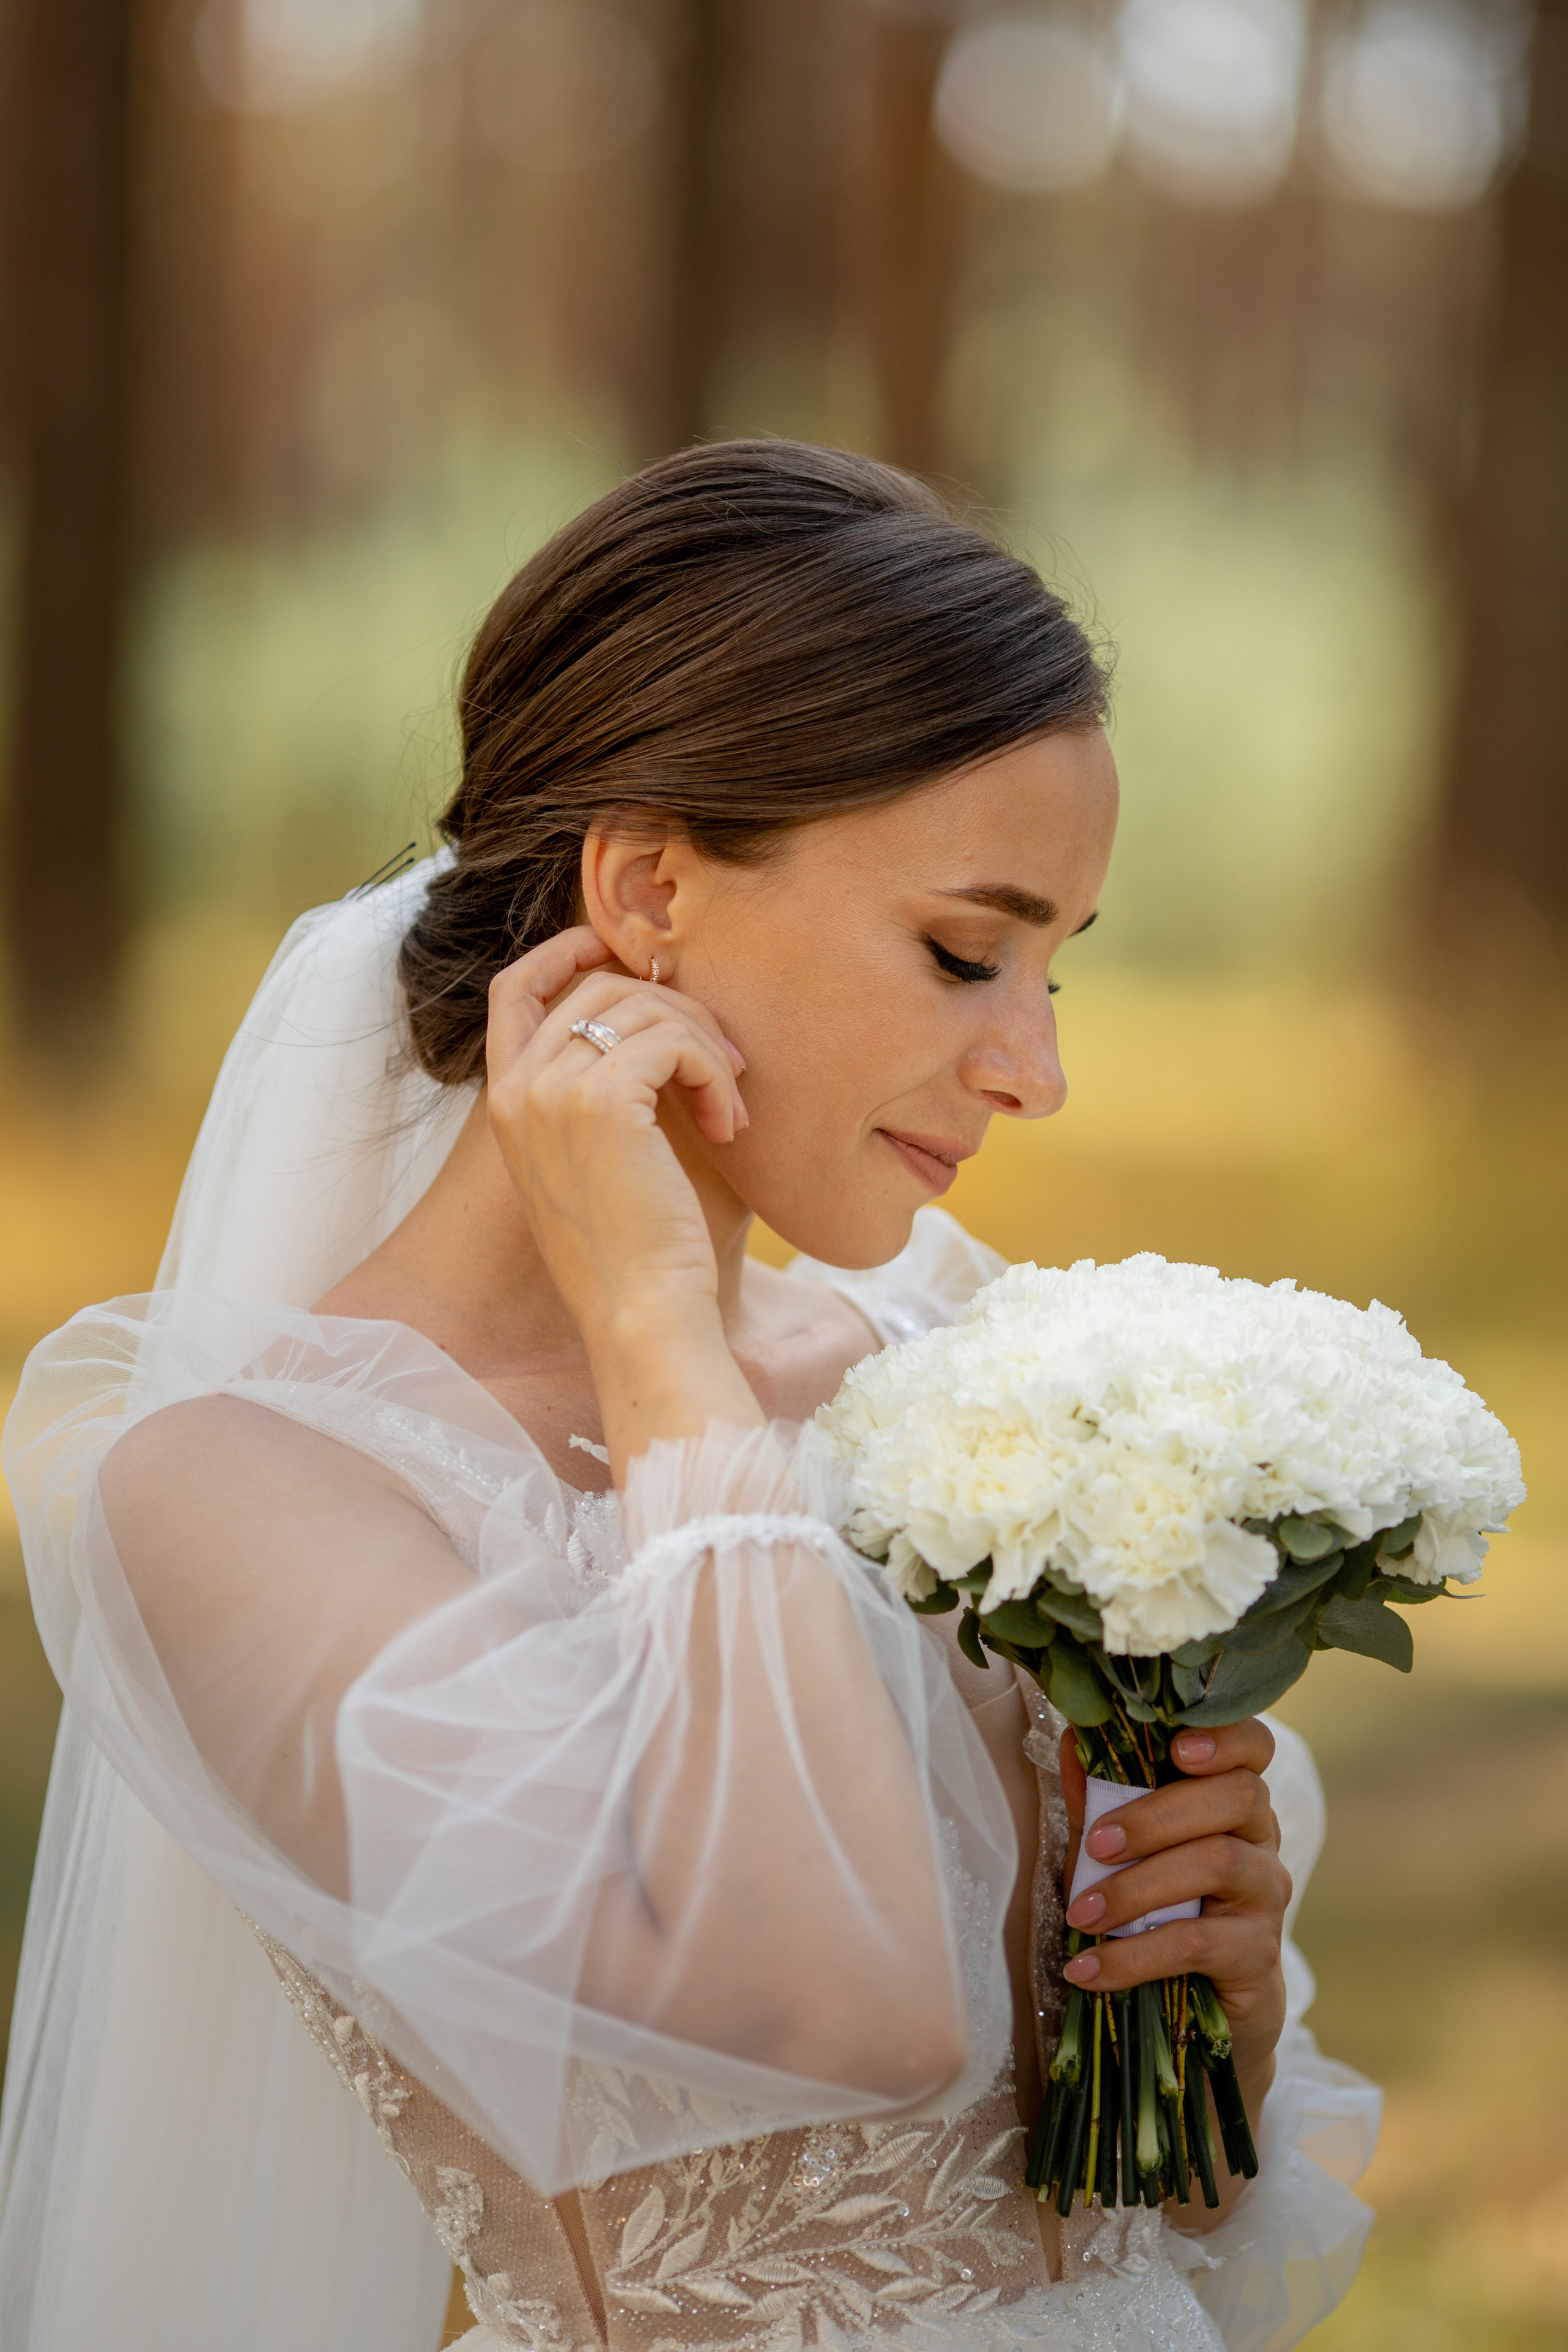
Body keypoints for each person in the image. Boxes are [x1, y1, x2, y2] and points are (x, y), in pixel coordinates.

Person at [0, 442, 1378, 2352]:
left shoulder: (949, 1385)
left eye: (1058, 971)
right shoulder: (240, 1495)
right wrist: (658, 1324)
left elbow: (1146, 2219)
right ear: (648, 888)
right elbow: (847, 2008)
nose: (1036, 1071)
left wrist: (1208, 2031)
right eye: (968, 952)